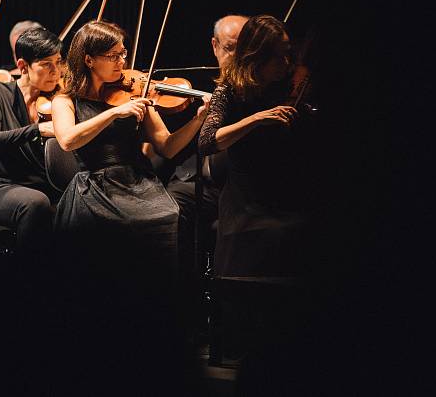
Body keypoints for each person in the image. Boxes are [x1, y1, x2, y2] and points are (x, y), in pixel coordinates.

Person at [50, 21, 209, 265]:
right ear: (89, 60)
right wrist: (114, 113)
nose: (122, 62)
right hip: (95, 185)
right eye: (113, 56)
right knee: (125, 225)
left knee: (170, 214)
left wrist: (199, 120)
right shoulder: (66, 100)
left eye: (123, 53)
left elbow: (167, 146)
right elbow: (67, 140)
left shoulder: (137, 94)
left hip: (138, 180)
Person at [198, 14, 307, 277]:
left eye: (288, 55)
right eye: (278, 57)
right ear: (257, 57)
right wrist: (256, 119)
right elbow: (207, 141)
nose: (287, 63)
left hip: (284, 194)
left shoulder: (286, 86)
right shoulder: (230, 90)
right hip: (246, 203)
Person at [166, 15, 249, 274]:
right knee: (174, 205)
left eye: (244, 48)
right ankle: (185, 284)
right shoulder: (194, 84)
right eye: (229, 47)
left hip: (238, 183)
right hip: (199, 179)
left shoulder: (257, 88)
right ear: (215, 46)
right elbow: (163, 146)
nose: (237, 56)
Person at [0, 28, 62, 253]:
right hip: (5, 188)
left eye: (59, 62)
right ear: (23, 66)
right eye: (47, 64)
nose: (57, 72)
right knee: (36, 203)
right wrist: (37, 129)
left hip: (53, 188)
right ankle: (25, 284)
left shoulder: (61, 98)